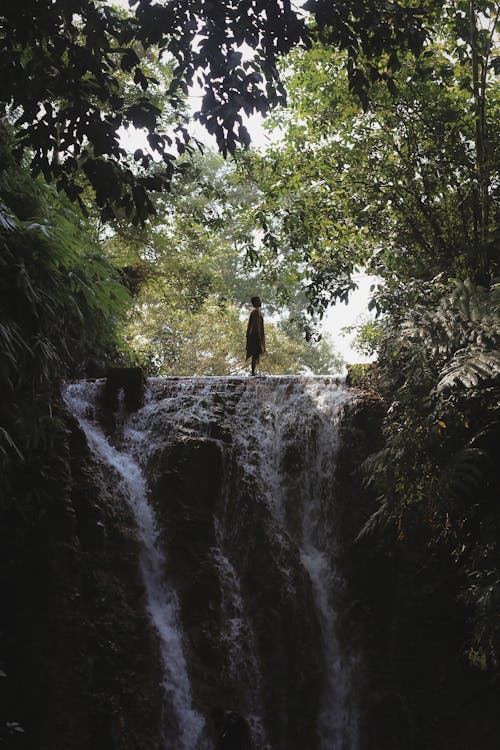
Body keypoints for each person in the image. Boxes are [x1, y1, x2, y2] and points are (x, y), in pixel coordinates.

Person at [246, 296, 265, 375]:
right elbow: (254, 327)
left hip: (256, 336)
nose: (260, 302)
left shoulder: (257, 312)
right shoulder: (255, 312)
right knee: (255, 354)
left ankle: (254, 371)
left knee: (256, 355)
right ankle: (253, 371)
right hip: (255, 337)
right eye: (259, 301)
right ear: (255, 303)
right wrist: (258, 339)